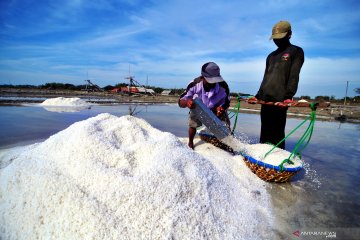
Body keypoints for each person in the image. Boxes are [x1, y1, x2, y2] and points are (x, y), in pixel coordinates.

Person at [249, 20, 304, 149]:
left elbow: (294, 76)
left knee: (277, 133)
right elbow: (266, 78)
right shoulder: (271, 56)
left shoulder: (296, 51)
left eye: (280, 37)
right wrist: (257, 96)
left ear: (289, 34)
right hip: (266, 100)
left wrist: (288, 96)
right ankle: (263, 160)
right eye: (275, 38)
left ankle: (277, 161)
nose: (277, 41)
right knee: (265, 132)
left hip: (280, 100)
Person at [178, 62, 231, 149]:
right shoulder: (194, 84)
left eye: (215, 80)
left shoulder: (223, 86)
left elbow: (227, 102)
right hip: (199, 107)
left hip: (216, 108)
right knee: (192, 123)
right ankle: (190, 143)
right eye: (210, 81)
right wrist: (187, 103)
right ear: (202, 77)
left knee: (225, 127)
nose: (213, 83)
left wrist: (221, 108)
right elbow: (181, 101)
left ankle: (228, 145)